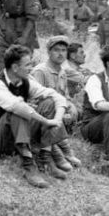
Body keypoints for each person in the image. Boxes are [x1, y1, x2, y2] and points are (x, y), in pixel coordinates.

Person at [0, 46, 73, 186]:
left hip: (17, 136)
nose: (31, 68)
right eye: (28, 65)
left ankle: (45, 158)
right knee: (20, 110)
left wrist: (56, 120)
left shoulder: (25, 81)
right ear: (15, 67)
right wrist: (46, 121)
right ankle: (28, 165)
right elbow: (17, 107)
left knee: (49, 102)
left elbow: (55, 96)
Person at [30, 35, 83, 171]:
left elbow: (65, 97)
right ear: (49, 52)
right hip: (39, 117)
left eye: (64, 50)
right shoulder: (40, 71)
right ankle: (61, 152)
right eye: (56, 50)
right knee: (50, 104)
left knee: (71, 109)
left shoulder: (62, 72)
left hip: (54, 116)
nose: (60, 54)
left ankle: (62, 150)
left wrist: (69, 108)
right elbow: (35, 102)